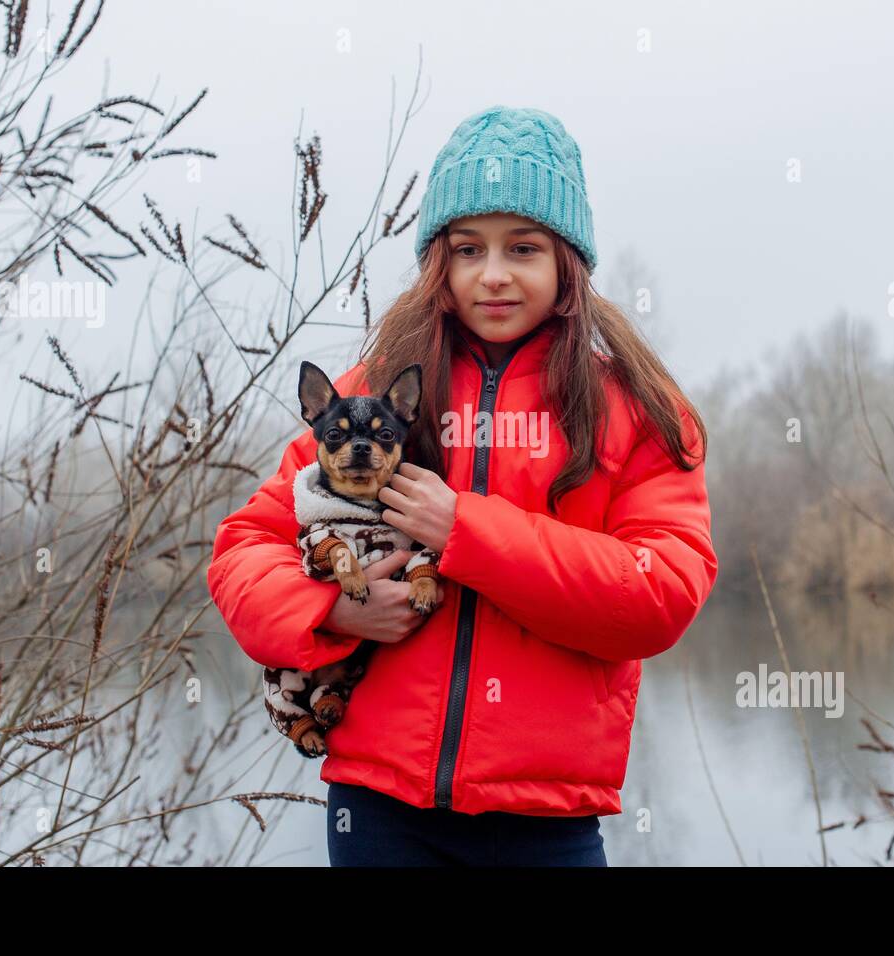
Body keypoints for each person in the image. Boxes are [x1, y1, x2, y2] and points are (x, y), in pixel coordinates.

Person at [208, 105, 718, 866]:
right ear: (437, 263)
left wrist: (467, 533)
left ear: (567, 261)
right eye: (467, 248)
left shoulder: (636, 412)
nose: (495, 274)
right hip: (377, 812)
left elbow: (661, 594)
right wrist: (334, 610)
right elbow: (244, 549)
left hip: (548, 820)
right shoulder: (370, 400)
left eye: (524, 247)